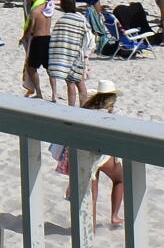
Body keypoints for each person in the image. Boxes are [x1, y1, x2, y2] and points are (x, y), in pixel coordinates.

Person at [50, 85, 128, 226]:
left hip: (84, 153)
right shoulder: (114, 111)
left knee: (91, 194)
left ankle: (90, 227)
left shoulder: (86, 108)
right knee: (120, 180)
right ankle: (114, 216)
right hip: (103, 154)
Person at [44, 0, 91, 104]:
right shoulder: (81, 19)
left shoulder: (61, 21)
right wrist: (86, 53)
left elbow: (55, 39)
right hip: (78, 54)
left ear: (63, 7)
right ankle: (84, 107)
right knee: (80, 83)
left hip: (65, 56)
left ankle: (71, 108)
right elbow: (88, 37)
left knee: (70, 83)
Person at [21, 0, 53, 99]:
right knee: (49, 69)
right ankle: (54, 95)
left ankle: (39, 93)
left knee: (31, 68)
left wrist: (23, 37)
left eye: (28, 0)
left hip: (38, 39)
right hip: (48, 38)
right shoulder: (48, 8)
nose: (28, 3)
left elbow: (31, 28)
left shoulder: (35, 11)